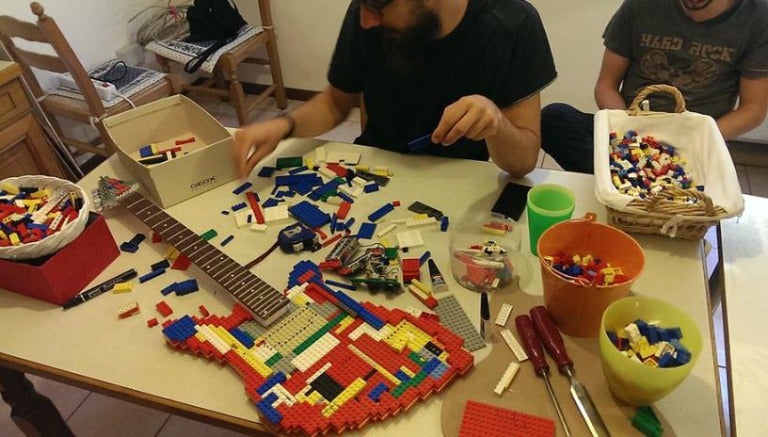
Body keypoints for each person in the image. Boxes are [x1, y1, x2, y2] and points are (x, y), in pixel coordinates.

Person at [234, 0, 557, 179]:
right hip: (376, 175)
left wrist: (496, 124)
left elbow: (523, 161)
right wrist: (284, 126)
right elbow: (335, 102)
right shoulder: (368, 10)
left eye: (376, 8)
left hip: (459, 182)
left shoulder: (512, 22)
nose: (365, 21)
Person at [541, 0, 768, 174]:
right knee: (554, 118)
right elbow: (606, 85)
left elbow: (753, 110)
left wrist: (697, 139)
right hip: (630, 132)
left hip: (695, 143)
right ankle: (640, 180)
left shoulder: (758, 16)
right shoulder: (639, 6)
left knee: (708, 174)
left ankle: (628, 180)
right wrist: (628, 131)